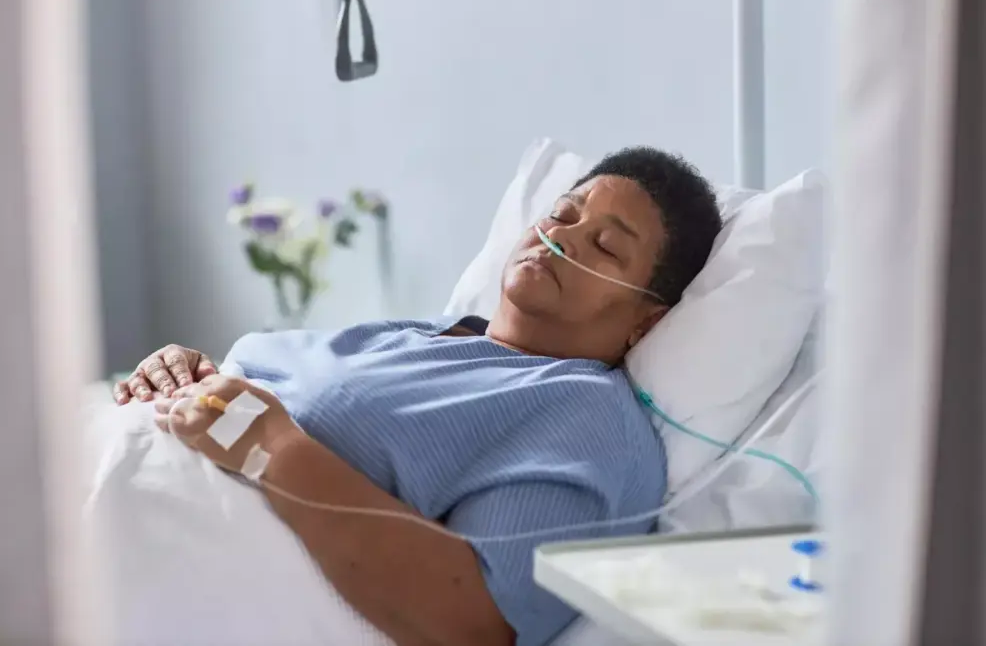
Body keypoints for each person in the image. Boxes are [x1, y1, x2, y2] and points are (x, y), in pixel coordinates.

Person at [112, 147, 723, 646]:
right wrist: (185, 371)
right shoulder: (425, 335)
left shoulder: (588, 419)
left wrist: (271, 447)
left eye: (607, 246)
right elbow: (250, 394)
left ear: (646, 321)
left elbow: (476, 622)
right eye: (564, 215)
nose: (563, 240)